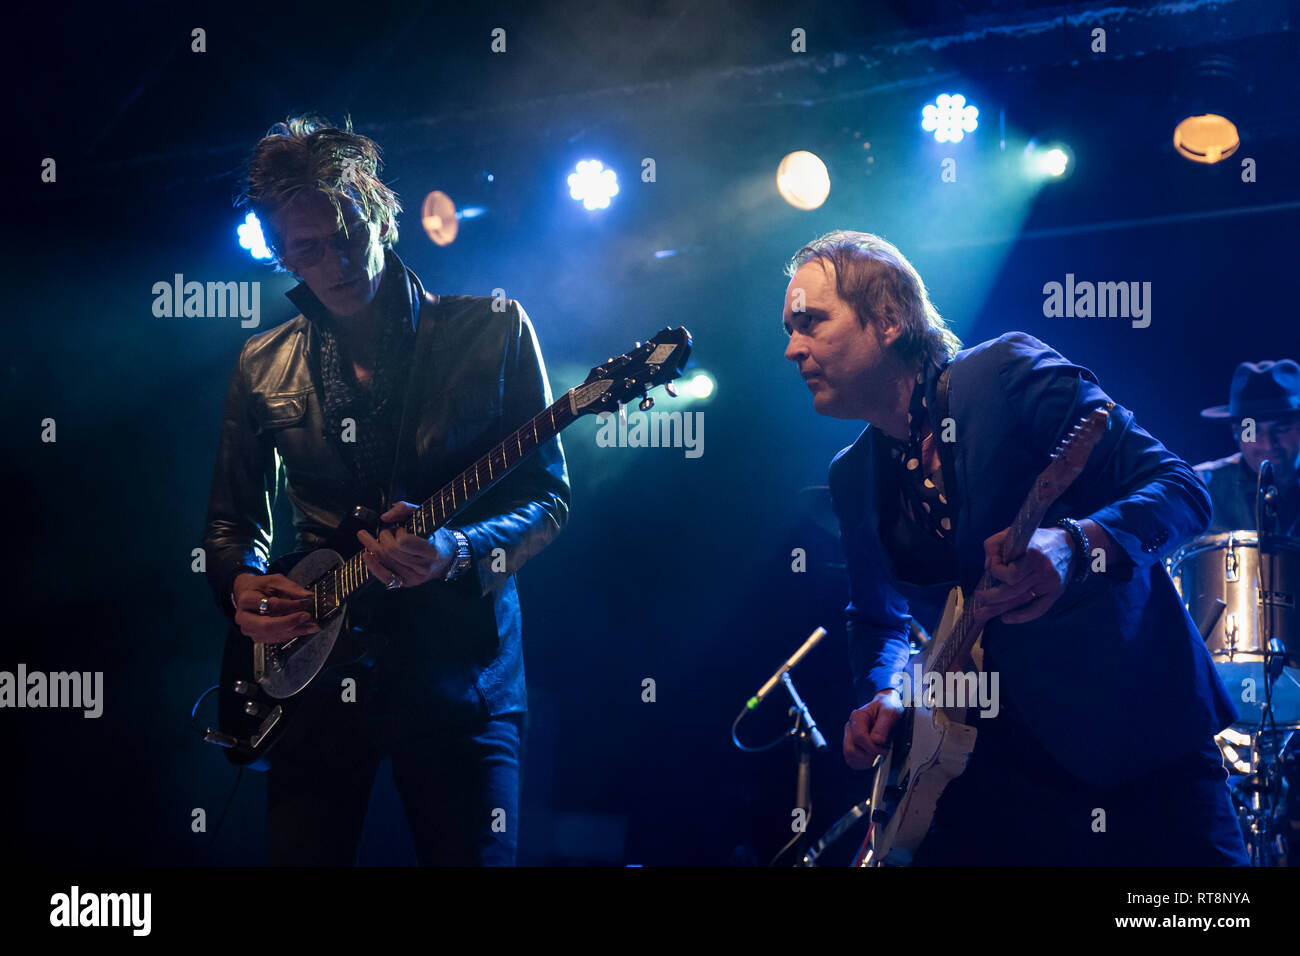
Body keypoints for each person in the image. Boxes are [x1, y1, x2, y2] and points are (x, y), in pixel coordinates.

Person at [782, 230, 1248, 865]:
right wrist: (883, 690)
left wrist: (1077, 545)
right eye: (789, 328)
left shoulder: (1005, 374)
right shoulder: (852, 473)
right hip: (987, 775)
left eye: (810, 322)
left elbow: (1183, 490)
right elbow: (877, 617)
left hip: (1136, 748)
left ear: (888, 320)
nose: (792, 348)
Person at [202, 114, 570, 865]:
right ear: (279, 255)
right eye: (306, 249)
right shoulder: (260, 364)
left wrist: (458, 547)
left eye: (345, 231)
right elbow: (230, 522)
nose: (335, 260)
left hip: (460, 684)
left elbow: (549, 498)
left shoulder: (493, 331)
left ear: (376, 210)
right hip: (312, 676)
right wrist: (241, 583)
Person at [1195, 360, 1300, 536]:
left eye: (1281, 429)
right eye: (1252, 430)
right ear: (1236, 431)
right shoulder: (1200, 487)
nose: (1267, 443)